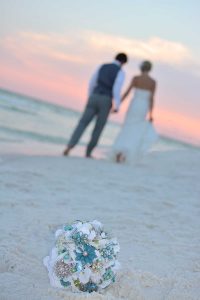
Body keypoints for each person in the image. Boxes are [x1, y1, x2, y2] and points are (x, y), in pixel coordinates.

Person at [63, 53, 128, 158]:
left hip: (94, 96)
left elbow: (92, 82)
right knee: (98, 128)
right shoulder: (120, 72)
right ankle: (88, 152)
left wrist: (90, 95)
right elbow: (117, 88)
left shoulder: (102, 66)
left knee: (82, 123)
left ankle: (69, 147)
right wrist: (117, 105)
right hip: (106, 99)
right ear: (123, 63)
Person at [111, 60, 157, 163]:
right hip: (143, 107)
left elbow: (127, 93)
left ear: (141, 67)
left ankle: (119, 152)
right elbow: (151, 99)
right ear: (149, 69)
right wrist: (151, 114)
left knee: (127, 127)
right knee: (135, 130)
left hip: (134, 105)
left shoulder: (136, 78)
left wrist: (117, 106)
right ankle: (127, 153)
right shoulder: (153, 82)